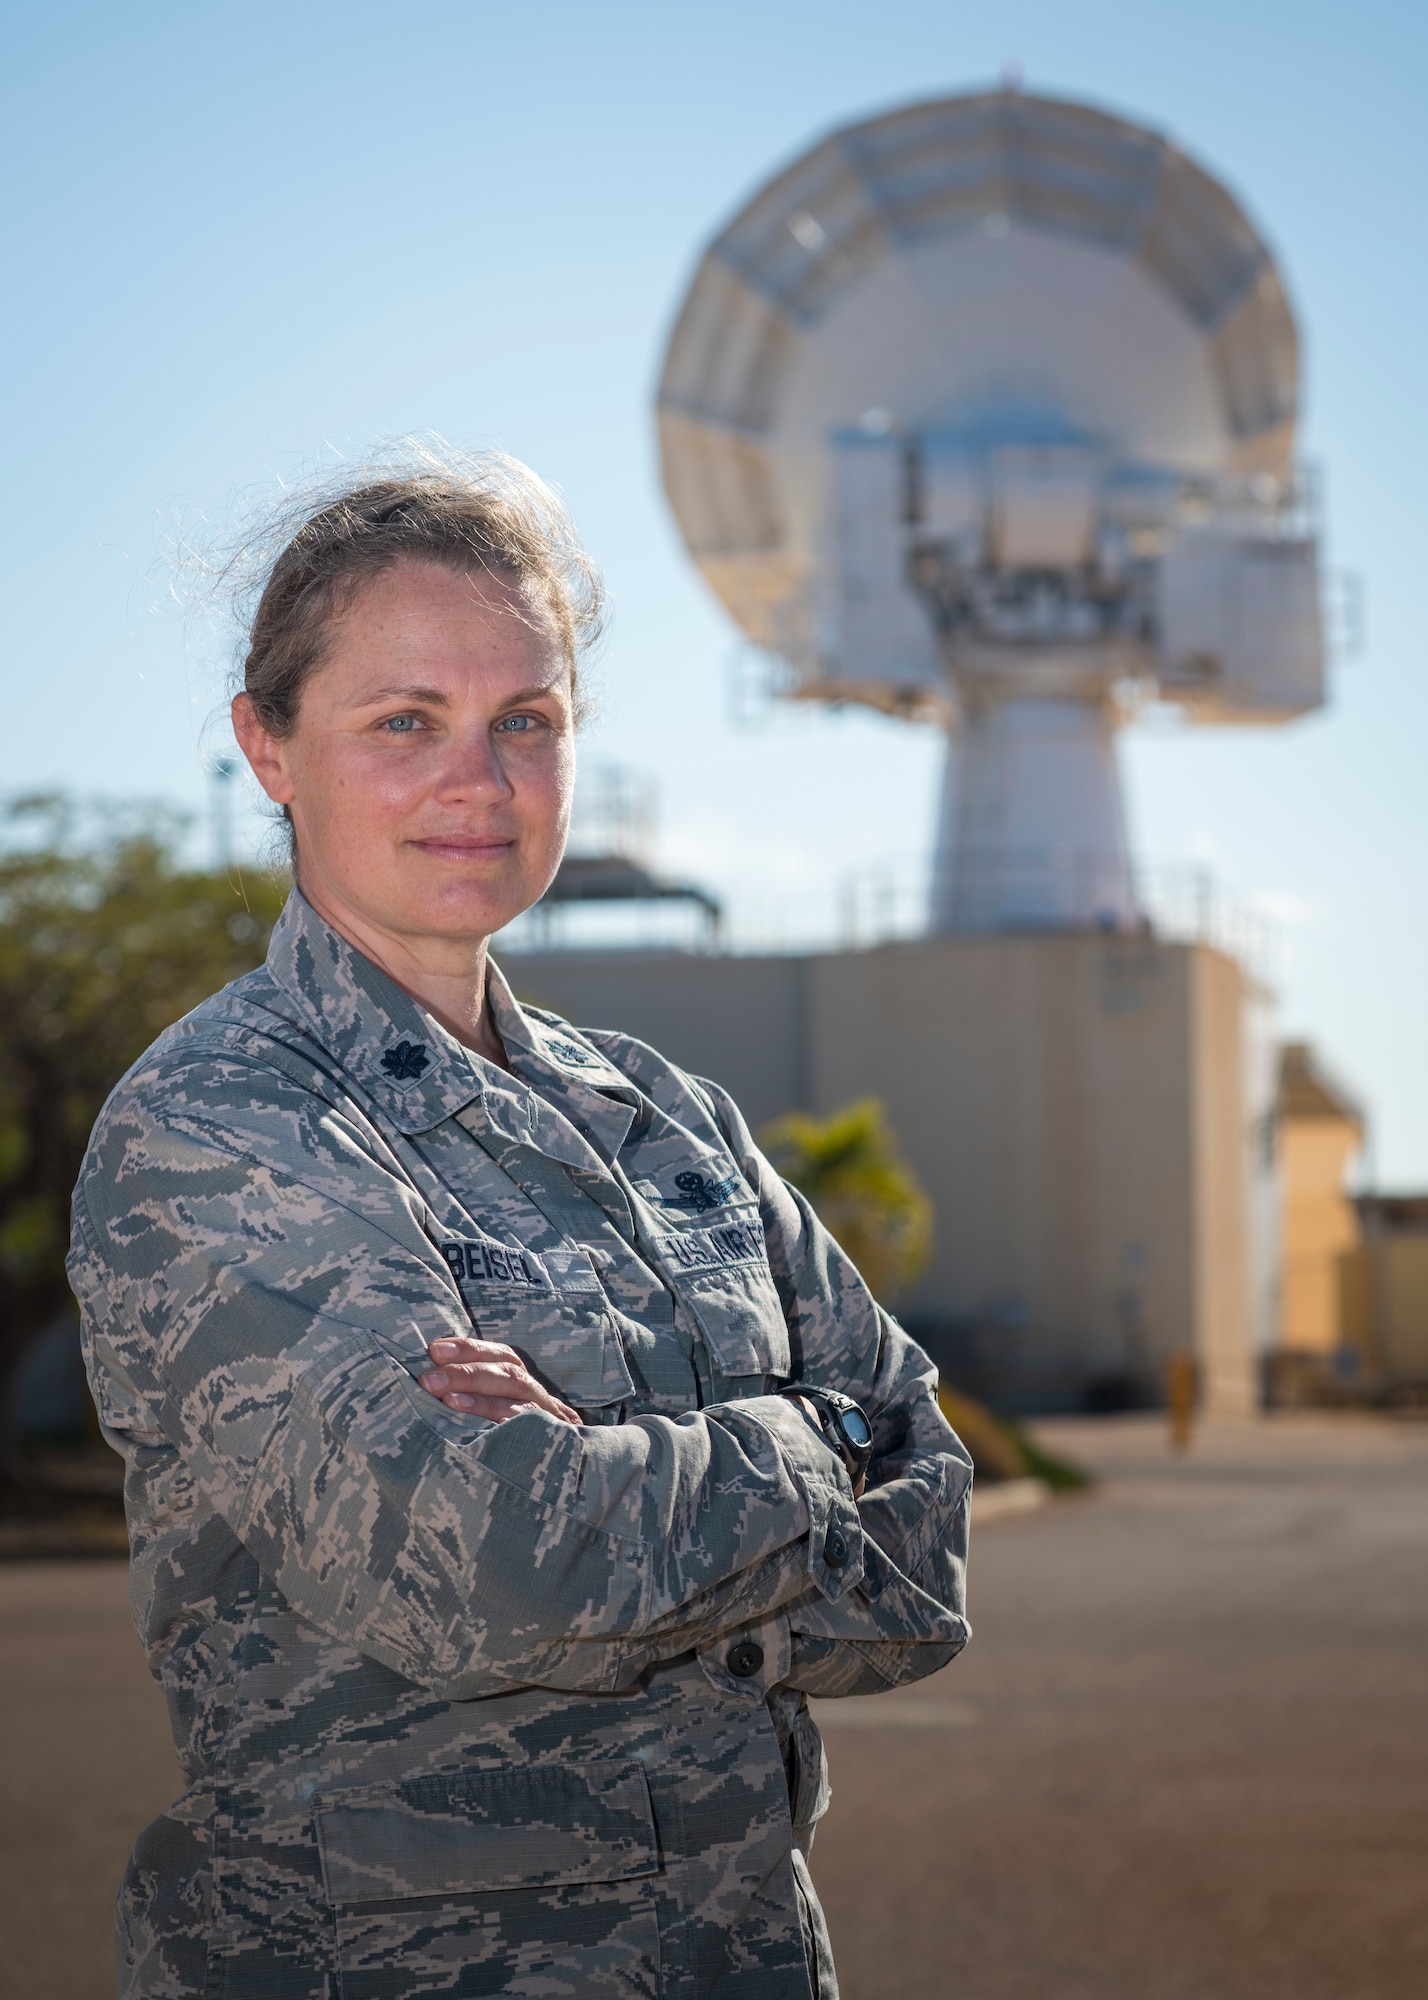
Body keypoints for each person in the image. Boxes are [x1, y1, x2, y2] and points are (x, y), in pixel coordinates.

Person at [68, 448, 972, 2000]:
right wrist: (808, 1447)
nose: (477, 781)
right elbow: (486, 1564)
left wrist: (611, 1481)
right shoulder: (220, 1124)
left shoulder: (669, 1120)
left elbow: (932, 1546)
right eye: (404, 722)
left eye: (525, 723)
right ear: (267, 748)